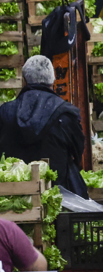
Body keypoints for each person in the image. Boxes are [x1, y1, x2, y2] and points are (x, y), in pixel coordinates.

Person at [0, 56, 86, 196]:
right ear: (53, 81)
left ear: (24, 81)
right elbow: (77, 152)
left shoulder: (5, 112)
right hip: (59, 198)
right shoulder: (65, 114)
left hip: (13, 200)